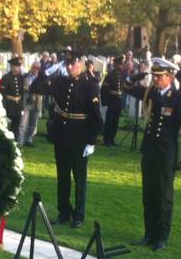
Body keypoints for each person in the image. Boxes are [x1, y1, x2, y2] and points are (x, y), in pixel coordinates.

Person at [124, 59, 181, 251]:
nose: (155, 79)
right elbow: (127, 88)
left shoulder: (178, 98)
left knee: (164, 197)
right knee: (149, 195)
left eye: (159, 76)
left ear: (170, 77)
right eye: (154, 75)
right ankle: (149, 234)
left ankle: (161, 237)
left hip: (166, 153)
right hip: (149, 151)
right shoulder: (151, 93)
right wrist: (134, 77)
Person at [30, 51, 103, 228]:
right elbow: (36, 88)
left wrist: (91, 141)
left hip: (80, 136)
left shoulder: (90, 85)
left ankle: (78, 215)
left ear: (82, 64)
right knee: (63, 177)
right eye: (68, 64)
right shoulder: (61, 81)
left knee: (79, 178)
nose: (70, 67)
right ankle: (64, 212)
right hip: (62, 136)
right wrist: (46, 71)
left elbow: (95, 116)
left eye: (74, 63)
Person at [101, 55, 125, 146]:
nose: (121, 66)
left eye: (121, 64)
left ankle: (112, 138)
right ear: (115, 65)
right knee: (109, 121)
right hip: (111, 100)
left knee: (115, 121)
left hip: (118, 101)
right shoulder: (110, 75)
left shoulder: (122, 76)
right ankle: (106, 139)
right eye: (119, 64)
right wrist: (105, 101)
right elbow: (104, 89)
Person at [18, 61, 42, 147]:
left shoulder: (40, 78)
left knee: (33, 123)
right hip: (26, 102)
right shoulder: (25, 77)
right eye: (34, 67)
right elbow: (22, 87)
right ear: (31, 67)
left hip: (37, 102)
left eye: (38, 68)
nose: (36, 69)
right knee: (23, 123)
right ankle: (20, 141)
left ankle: (29, 139)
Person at [0, 56, 24, 139]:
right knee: (9, 123)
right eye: (16, 66)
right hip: (9, 104)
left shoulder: (21, 77)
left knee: (17, 123)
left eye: (19, 66)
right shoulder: (6, 77)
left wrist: (21, 105)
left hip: (18, 105)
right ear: (12, 66)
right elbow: (2, 92)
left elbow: (22, 92)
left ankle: (15, 140)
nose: (18, 68)